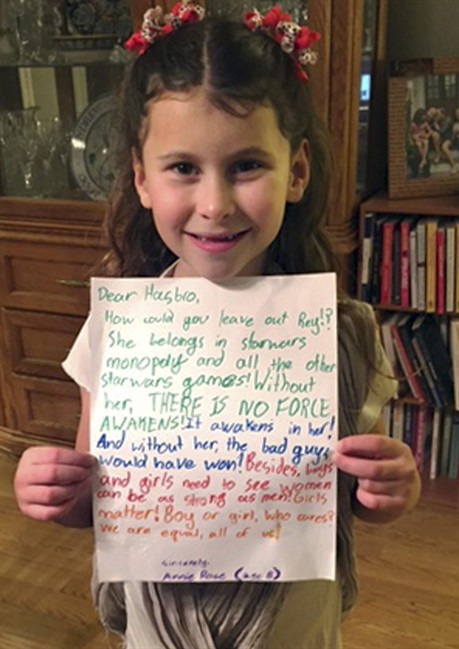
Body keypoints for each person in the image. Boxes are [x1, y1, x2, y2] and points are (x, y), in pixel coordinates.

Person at [14, 4, 420, 648]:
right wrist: (55, 491)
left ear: (297, 171)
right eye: (183, 168)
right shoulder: (117, 333)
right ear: (142, 179)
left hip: (293, 628)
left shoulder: (343, 333)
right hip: (162, 628)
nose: (214, 204)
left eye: (246, 165)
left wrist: (392, 487)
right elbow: (97, 500)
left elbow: (353, 492)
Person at [427, 106, 458, 175]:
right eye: (436, 115)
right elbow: (430, 128)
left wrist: (435, 123)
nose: (436, 116)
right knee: (435, 135)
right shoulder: (436, 120)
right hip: (441, 139)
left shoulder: (448, 120)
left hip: (449, 139)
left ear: (442, 114)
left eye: (438, 114)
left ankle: (454, 166)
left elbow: (442, 131)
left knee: (444, 147)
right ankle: (438, 154)